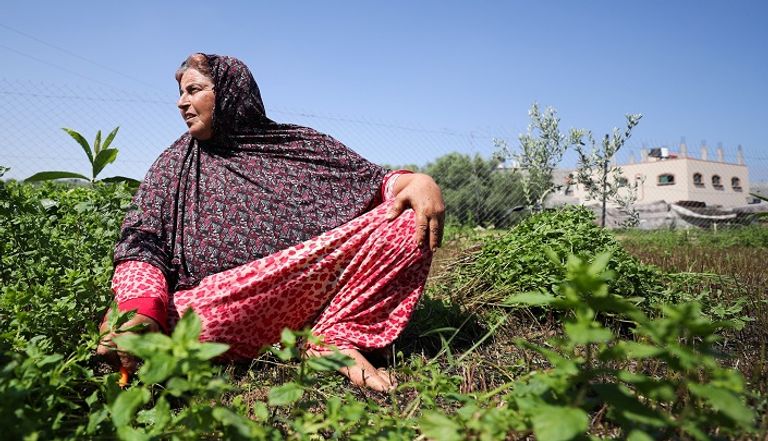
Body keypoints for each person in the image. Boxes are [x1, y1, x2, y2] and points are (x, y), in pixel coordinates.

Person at [97, 53, 445, 391]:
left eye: (194, 90)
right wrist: (139, 312)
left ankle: (333, 337)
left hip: (311, 284)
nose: (180, 103)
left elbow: (375, 183)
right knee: (175, 325)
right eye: (180, 93)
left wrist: (417, 182)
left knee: (407, 220)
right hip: (220, 307)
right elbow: (140, 244)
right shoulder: (174, 166)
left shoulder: (299, 146)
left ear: (230, 93)